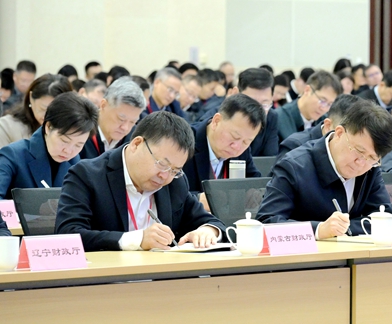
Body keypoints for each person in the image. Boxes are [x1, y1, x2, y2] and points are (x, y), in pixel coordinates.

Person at [55, 112, 226, 251]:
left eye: (174, 170)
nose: (165, 176)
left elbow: (212, 223)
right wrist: (137, 240)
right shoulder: (87, 175)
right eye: (162, 164)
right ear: (136, 144)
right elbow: (68, 234)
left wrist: (208, 231)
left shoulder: (175, 182)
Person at [257, 100, 392, 238]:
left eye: (372, 158)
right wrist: (319, 230)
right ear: (339, 133)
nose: (361, 163)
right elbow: (266, 222)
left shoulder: (371, 168)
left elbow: (384, 219)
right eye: (359, 151)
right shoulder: (294, 166)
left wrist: (344, 229)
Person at [0, 92, 98, 198]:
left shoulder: (75, 161)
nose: (69, 151)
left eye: (78, 145)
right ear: (48, 127)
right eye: (65, 141)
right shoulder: (13, 155)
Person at [181, 94, 264, 210]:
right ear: (216, 121)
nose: (237, 147)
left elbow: (255, 183)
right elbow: (168, 193)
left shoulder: (242, 149)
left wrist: (254, 195)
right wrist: (197, 199)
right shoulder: (184, 142)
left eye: (247, 142)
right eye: (234, 136)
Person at [80, 78, 146, 160]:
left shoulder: (135, 139)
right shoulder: (81, 128)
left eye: (133, 122)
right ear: (103, 105)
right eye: (121, 119)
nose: (125, 128)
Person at [0, 74, 72, 147]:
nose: (48, 116)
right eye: (43, 109)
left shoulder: (71, 130)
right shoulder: (7, 127)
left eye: (56, 111)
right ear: (31, 98)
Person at [278, 94, 360, 156]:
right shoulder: (295, 147)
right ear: (328, 126)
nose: (350, 148)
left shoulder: (361, 156)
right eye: (342, 135)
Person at [274, 70, 342, 141]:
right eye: (322, 101)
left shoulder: (325, 123)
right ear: (307, 90)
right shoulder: (278, 118)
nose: (324, 108)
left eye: (330, 104)